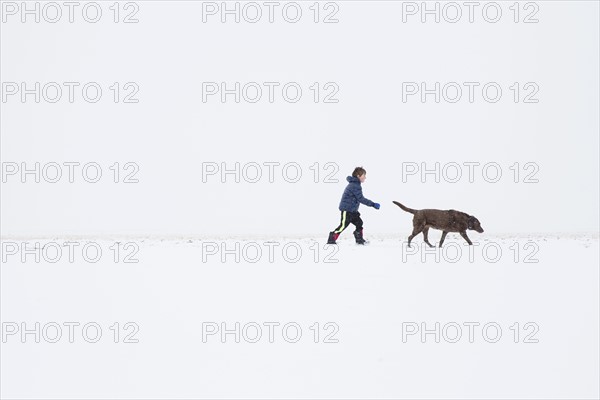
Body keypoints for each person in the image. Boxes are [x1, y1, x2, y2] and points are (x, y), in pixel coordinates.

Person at [327, 167, 380, 245]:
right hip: (347, 210)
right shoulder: (354, 185)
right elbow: (361, 199)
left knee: (359, 223)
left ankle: (359, 240)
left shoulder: (356, 184)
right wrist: (373, 204)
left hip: (352, 211)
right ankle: (331, 239)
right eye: (364, 175)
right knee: (343, 226)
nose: (365, 177)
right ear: (358, 176)